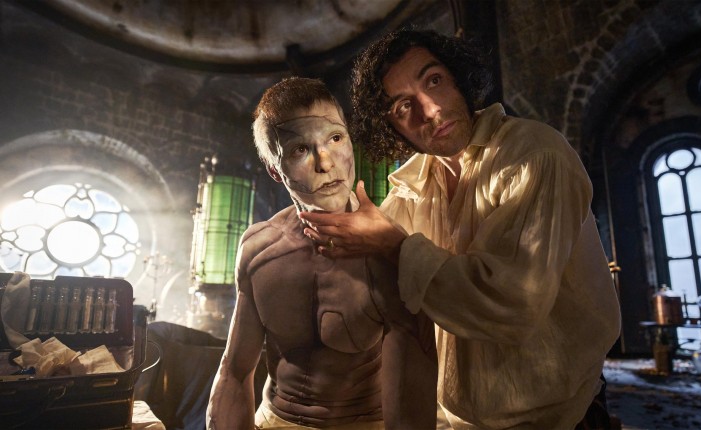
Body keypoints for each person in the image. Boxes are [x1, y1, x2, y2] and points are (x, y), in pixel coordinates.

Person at [300, 30, 622, 429]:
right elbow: (372, 292)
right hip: (453, 420)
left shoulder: (536, 154)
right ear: (392, 127)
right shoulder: (410, 188)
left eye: (434, 80)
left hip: (558, 417)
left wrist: (394, 246)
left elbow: (512, 303)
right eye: (403, 106)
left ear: (458, 78)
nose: (430, 110)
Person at [206, 77, 437, 430]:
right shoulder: (258, 249)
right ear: (275, 170)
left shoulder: (390, 254)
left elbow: (410, 412)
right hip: (273, 420)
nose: (325, 162)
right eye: (300, 149)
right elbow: (234, 374)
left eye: (335, 138)